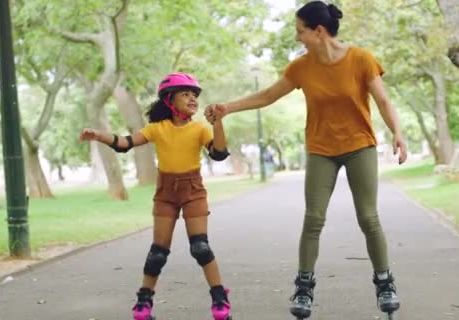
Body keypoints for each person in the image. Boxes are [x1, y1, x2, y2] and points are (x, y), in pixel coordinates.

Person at [205, 1, 407, 318]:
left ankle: (385, 283)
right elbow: (267, 96)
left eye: (301, 31)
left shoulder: (361, 59)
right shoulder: (301, 67)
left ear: (319, 31)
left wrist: (398, 132)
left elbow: (382, 99)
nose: (298, 37)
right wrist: (228, 108)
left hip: (359, 146)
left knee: (368, 218)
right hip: (320, 149)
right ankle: (304, 287)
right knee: (314, 218)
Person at [79, 72, 232, 320]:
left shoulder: (200, 128)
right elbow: (124, 143)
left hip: (193, 191)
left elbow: (219, 153)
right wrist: (98, 135)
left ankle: (219, 297)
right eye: (186, 94)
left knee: (201, 248)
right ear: (170, 100)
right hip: (165, 193)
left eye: (194, 94)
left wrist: (218, 123)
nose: (192, 98)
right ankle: (143, 303)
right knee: (157, 253)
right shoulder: (157, 129)